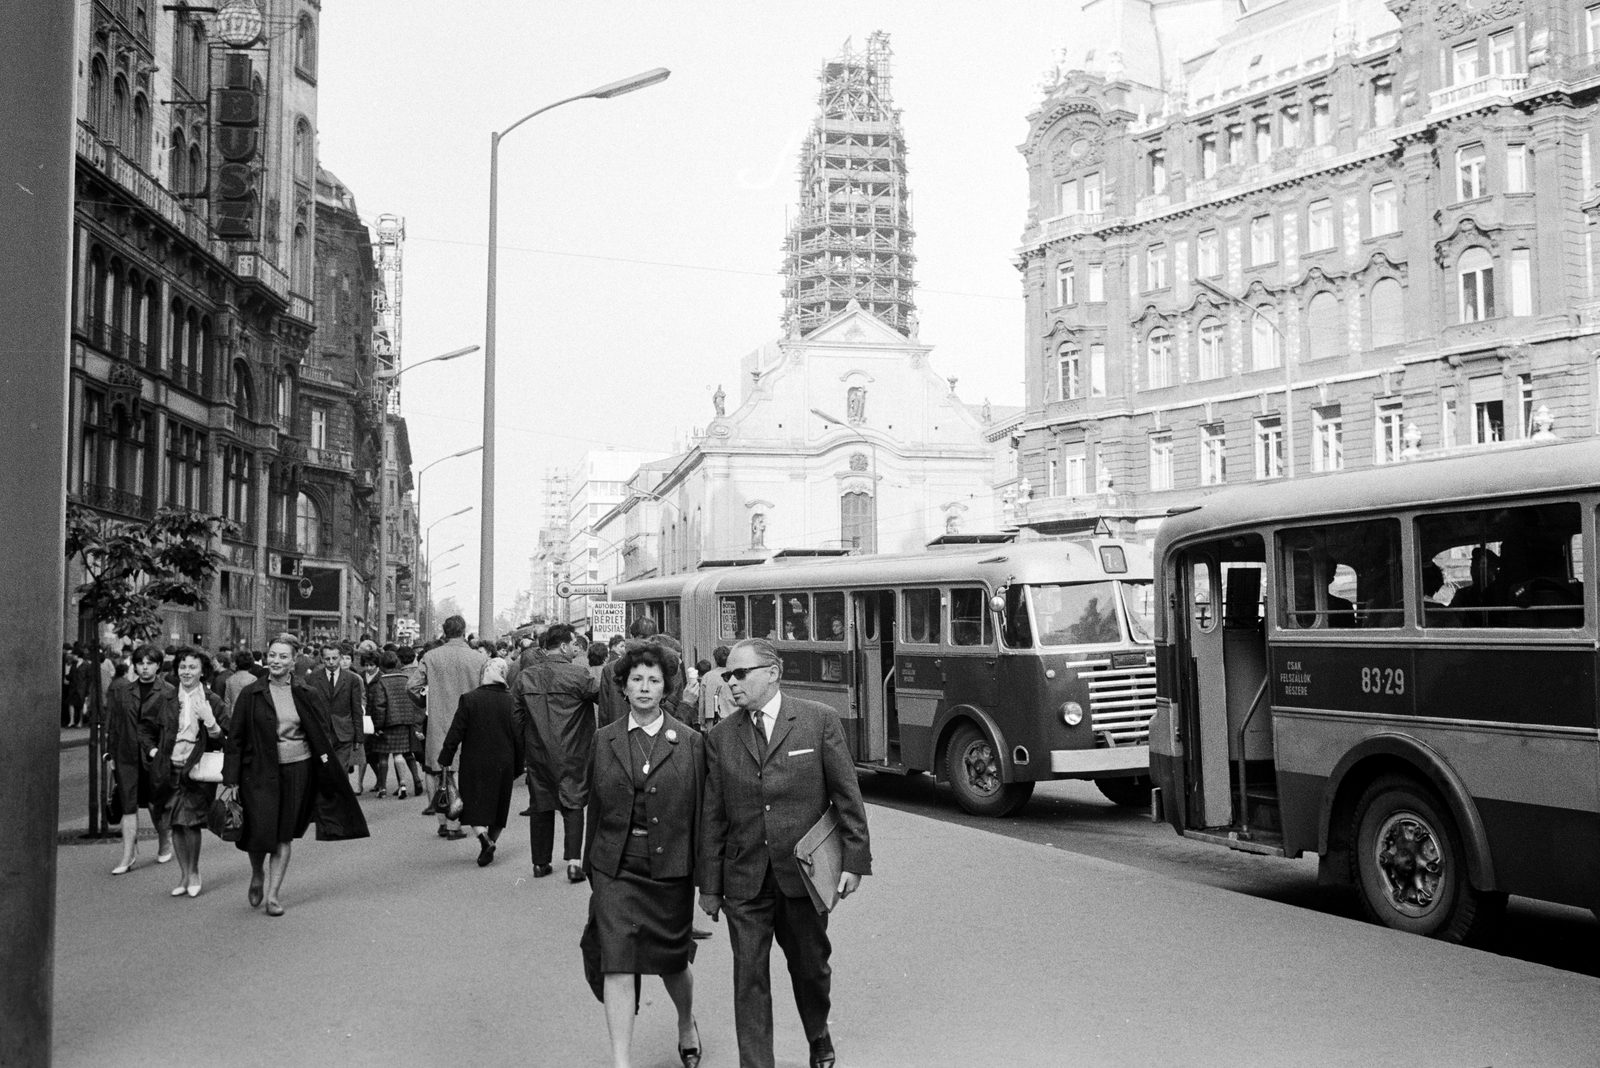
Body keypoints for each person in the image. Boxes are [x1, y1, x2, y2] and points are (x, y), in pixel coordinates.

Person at [699, 638, 872, 1068]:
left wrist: (854, 861)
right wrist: (710, 886)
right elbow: (714, 817)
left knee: (810, 969)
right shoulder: (721, 737)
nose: (731, 683)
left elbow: (846, 796)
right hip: (746, 879)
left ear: (773, 673)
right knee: (749, 977)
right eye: (727, 675)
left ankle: (818, 1033)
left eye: (741, 674)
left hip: (802, 875)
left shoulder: (818, 721)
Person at [581, 641, 705, 1068]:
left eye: (654, 680)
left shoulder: (689, 742)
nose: (645, 687)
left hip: (669, 869)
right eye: (637, 679)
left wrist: (706, 880)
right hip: (616, 867)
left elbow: (701, 813)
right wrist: (592, 870)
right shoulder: (604, 740)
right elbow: (594, 808)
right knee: (615, 962)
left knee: (672, 963)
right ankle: (621, 1062)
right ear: (624, 686)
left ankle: (686, 1022)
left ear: (667, 687)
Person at [222, 633, 369, 916]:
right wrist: (231, 779)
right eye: (272, 655)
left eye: (283, 656)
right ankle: (257, 874)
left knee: (284, 835)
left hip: (297, 771)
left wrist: (328, 770)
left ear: (294, 661)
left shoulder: (305, 693)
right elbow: (235, 739)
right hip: (259, 773)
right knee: (258, 832)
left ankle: (274, 895)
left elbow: (320, 733)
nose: (276, 661)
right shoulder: (250, 694)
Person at [513, 623, 599, 880]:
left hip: (538, 752)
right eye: (573, 643)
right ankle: (574, 862)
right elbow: (601, 697)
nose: (575, 648)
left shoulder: (525, 677)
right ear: (563, 646)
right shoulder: (579, 675)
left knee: (540, 804)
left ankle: (540, 863)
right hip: (573, 750)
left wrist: (526, 748)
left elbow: (515, 719)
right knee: (573, 803)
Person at [150, 646, 227, 897]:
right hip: (170, 767)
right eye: (182, 667)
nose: (186, 672)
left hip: (196, 770)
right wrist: (153, 751)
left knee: (190, 822)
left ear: (203, 671)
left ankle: (194, 872)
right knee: (174, 822)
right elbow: (147, 728)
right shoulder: (167, 698)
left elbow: (227, 739)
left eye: (192, 667)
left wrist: (211, 722)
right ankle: (183, 875)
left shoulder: (212, 701)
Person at [438, 657, 524, 867]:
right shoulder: (512, 701)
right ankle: (491, 841)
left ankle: (484, 839)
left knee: (474, 804)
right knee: (499, 807)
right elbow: (519, 736)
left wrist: (445, 758)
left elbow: (456, 731)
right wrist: (519, 764)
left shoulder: (469, 699)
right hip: (504, 761)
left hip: (474, 761)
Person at [409, 614, 489, 840]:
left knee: (438, 770)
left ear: (444, 632)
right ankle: (455, 825)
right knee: (463, 771)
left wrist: (426, 704)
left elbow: (412, 686)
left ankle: (443, 821)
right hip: (470, 722)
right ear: (464, 631)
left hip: (439, 719)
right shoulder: (478, 659)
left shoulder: (431, 656)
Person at [105, 647, 175, 874]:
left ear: (158, 665)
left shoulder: (167, 692)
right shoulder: (123, 691)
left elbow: (170, 727)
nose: (145, 667)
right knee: (128, 804)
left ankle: (164, 841)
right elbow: (114, 724)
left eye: (150, 662)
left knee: (156, 803)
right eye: (140, 662)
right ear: (134, 665)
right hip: (126, 755)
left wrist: (165, 754)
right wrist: (111, 753)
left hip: (153, 756)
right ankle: (128, 855)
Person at [367, 650, 426, 799]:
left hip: (389, 723)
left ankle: (383, 787)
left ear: (381, 665)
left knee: (383, 756)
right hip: (407, 721)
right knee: (407, 753)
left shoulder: (383, 681)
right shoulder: (406, 678)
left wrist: (378, 726)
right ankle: (416, 779)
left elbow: (379, 706)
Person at [308, 642, 365, 793]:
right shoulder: (312, 679)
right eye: (327, 659)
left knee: (341, 771)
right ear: (322, 659)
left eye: (334, 658)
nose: (331, 662)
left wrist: (358, 737)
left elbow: (356, 709)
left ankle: (343, 808)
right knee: (323, 772)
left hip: (343, 733)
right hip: (321, 732)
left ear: (341, 657)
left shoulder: (352, 679)